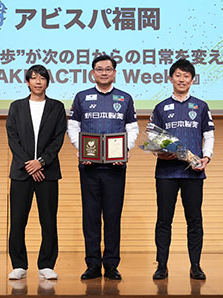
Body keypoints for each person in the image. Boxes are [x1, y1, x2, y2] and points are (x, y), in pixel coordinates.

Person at [67, 55, 139, 280]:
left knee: (112, 217)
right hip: (89, 167)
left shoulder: (125, 98)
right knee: (90, 217)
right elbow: (73, 126)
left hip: (115, 168)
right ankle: (92, 265)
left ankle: (111, 265)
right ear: (93, 73)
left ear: (115, 73)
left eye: (108, 69)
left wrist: (124, 151)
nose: (104, 73)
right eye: (100, 69)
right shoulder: (82, 97)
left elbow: (132, 129)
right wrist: (82, 149)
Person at [149, 59, 215, 281]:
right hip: (166, 173)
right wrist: (158, 153)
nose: (182, 79)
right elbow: (152, 137)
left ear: (192, 80)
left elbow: (208, 135)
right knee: (163, 220)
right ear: (170, 78)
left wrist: (206, 157)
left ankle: (195, 265)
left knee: (194, 220)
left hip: (193, 173)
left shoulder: (201, 106)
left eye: (186, 76)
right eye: (178, 75)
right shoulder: (160, 107)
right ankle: (161, 266)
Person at [6, 64, 67, 281]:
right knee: (17, 220)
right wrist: (29, 165)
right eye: (33, 78)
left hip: (47, 172)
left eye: (42, 77)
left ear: (47, 82)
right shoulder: (16, 107)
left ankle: (47, 265)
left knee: (48, 220)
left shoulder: (57, 107)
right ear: (27, 82)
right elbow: (13, 138)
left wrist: (41, 162)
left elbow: (58, 139)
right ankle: (18, 264)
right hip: (21, 173)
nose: (38, 81)